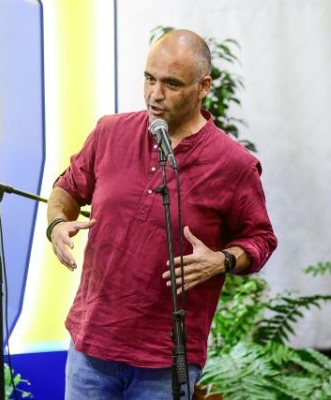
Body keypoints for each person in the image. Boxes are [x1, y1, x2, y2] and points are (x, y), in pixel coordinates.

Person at [46, 29, 278, 399]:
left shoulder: (234, 164)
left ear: (203, 87)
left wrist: (221, 261)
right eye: (149, 79)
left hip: (166, 361)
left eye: (171, 84)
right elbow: (68, 186)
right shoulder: (110, 132)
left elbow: (261, 240)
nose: (155, 94)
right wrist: (56, 223)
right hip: (91, 348)